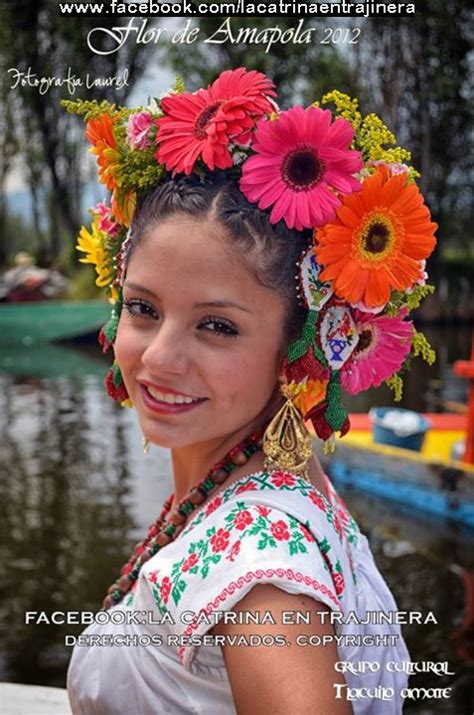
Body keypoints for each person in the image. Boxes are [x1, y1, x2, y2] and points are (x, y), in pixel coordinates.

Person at [64, 68, 437, 714]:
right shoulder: (276, 478)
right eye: (144, 307)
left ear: (300, 345)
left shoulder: (260, 567)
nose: (157, 356)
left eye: (216, 326)